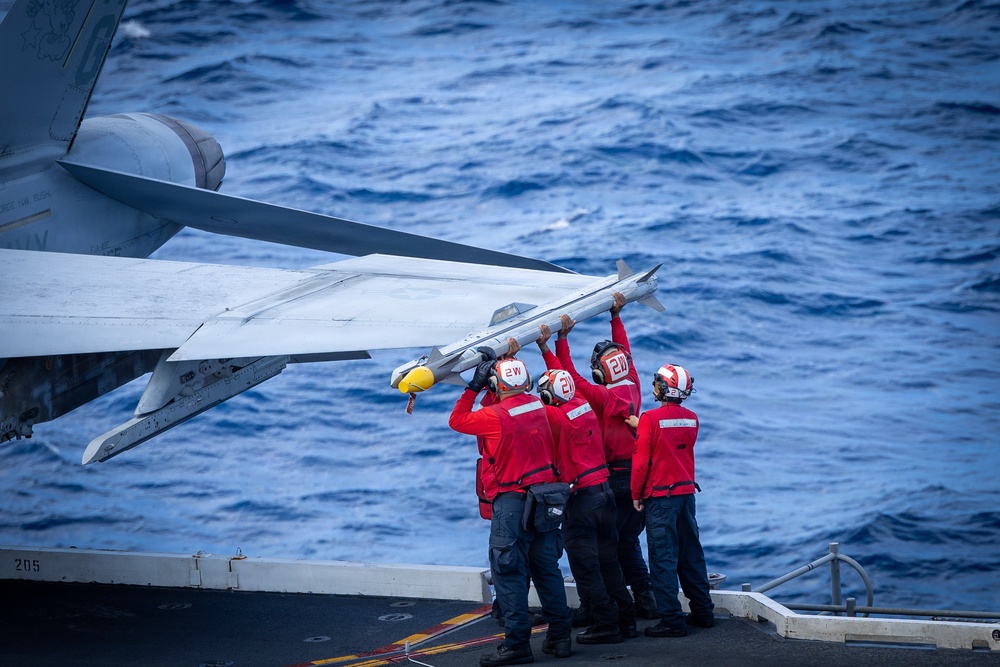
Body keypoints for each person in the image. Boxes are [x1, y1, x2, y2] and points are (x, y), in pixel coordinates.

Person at [449, 345, 573, 666]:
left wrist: (474, 386)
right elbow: (510, 408)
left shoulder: (494, 417)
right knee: (547, 569)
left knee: (509, 571)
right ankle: (560, 638)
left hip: (513, 503)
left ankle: (518, 644)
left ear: (495, 386)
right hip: (546, 499)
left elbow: (458, 420)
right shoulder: (540, 408)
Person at [552, 293, 657, 621]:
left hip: (614, 478)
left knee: (608, 547)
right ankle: (645, 599)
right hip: (640, 475)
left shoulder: (601, 397)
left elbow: (567, 377)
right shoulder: (635, 385)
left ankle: (604, 607)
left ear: (600, 374)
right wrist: (616, 316)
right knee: (627, 542)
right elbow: (626, 351)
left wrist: (559, 341)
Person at [534, 350, 637, 644]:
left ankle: (606, 623)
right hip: (604, 493)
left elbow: (520, 408)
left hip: (581, 500)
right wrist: (549, 350)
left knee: (585, 566)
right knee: (608, 561)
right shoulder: (583, 404)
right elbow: (570, 382)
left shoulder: (553, 415)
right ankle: (625, 619)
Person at [629, 363, 715, 638]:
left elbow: (641, 462)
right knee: (691, 556)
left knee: (663, 559)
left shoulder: (650, 420)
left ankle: (671, 621)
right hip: (686, 497)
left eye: (657, 383)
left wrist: (635, 495)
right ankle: (703, 612)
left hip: (661, 500)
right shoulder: (692, 418)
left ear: (664, 389)